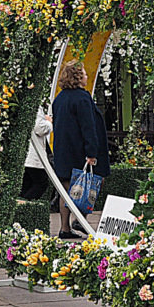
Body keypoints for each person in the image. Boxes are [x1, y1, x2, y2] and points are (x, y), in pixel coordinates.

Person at [51, 61, 111, 239]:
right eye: (83, 73)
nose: (86, 76)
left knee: (66, 190)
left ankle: (65, 229)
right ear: (77, 77)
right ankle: (81, 220)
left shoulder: (59, 99)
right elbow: (88, 127)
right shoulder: (82, 98)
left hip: (63, 151)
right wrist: (91, 152)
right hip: (79, 152)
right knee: (88, 186)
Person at [19, 103, 53, 201]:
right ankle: (24, 207)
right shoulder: (34, 106)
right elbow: (40, 128)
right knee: (41, 183)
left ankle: (22, 206)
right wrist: (49, 122)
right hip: (33, 153)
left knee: (27, 184)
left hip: (26, 153)